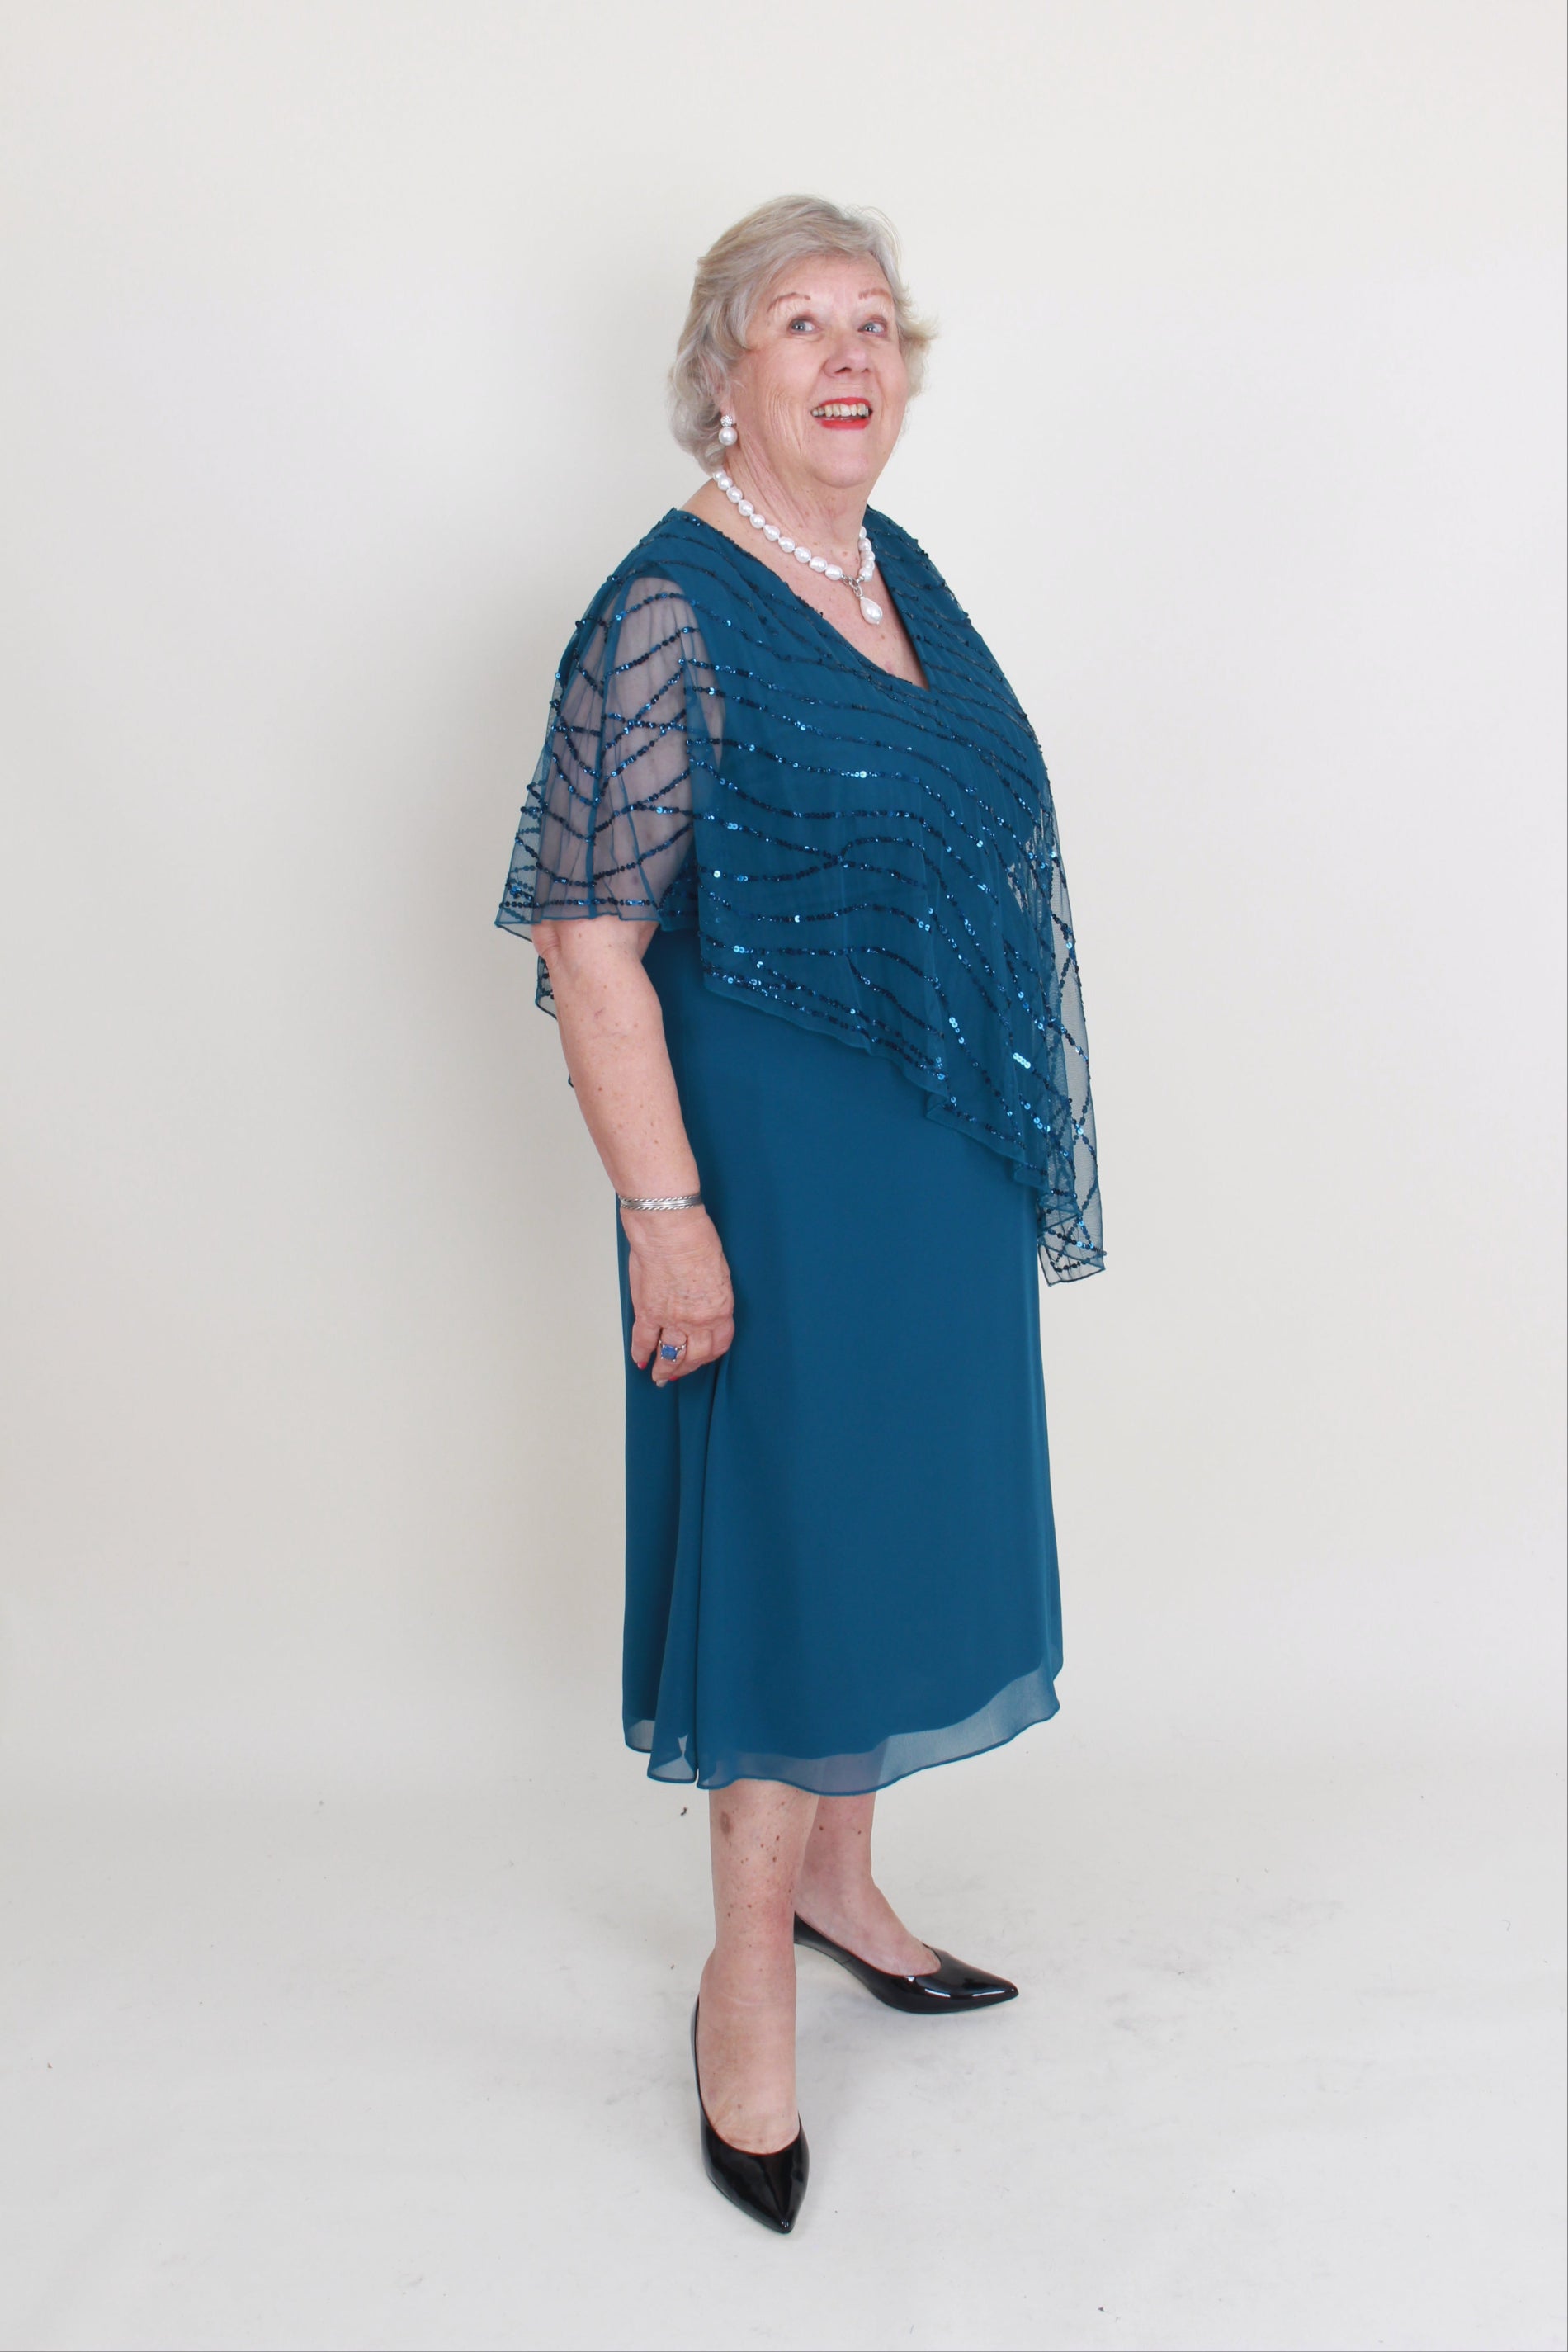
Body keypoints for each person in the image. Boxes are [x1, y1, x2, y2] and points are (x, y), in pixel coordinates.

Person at [497, 195, 1103, 2233]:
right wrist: (666, 1218)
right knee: (789, 1562)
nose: (848, 359)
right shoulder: (668, 608)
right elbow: (590, 940)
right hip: (762, 1178)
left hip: (919, 1160)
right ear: (722, 374)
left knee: (891, 1538)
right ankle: (740, 1982)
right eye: (797, 326)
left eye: (876, 325)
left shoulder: (882, 565)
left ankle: (841, 1889)